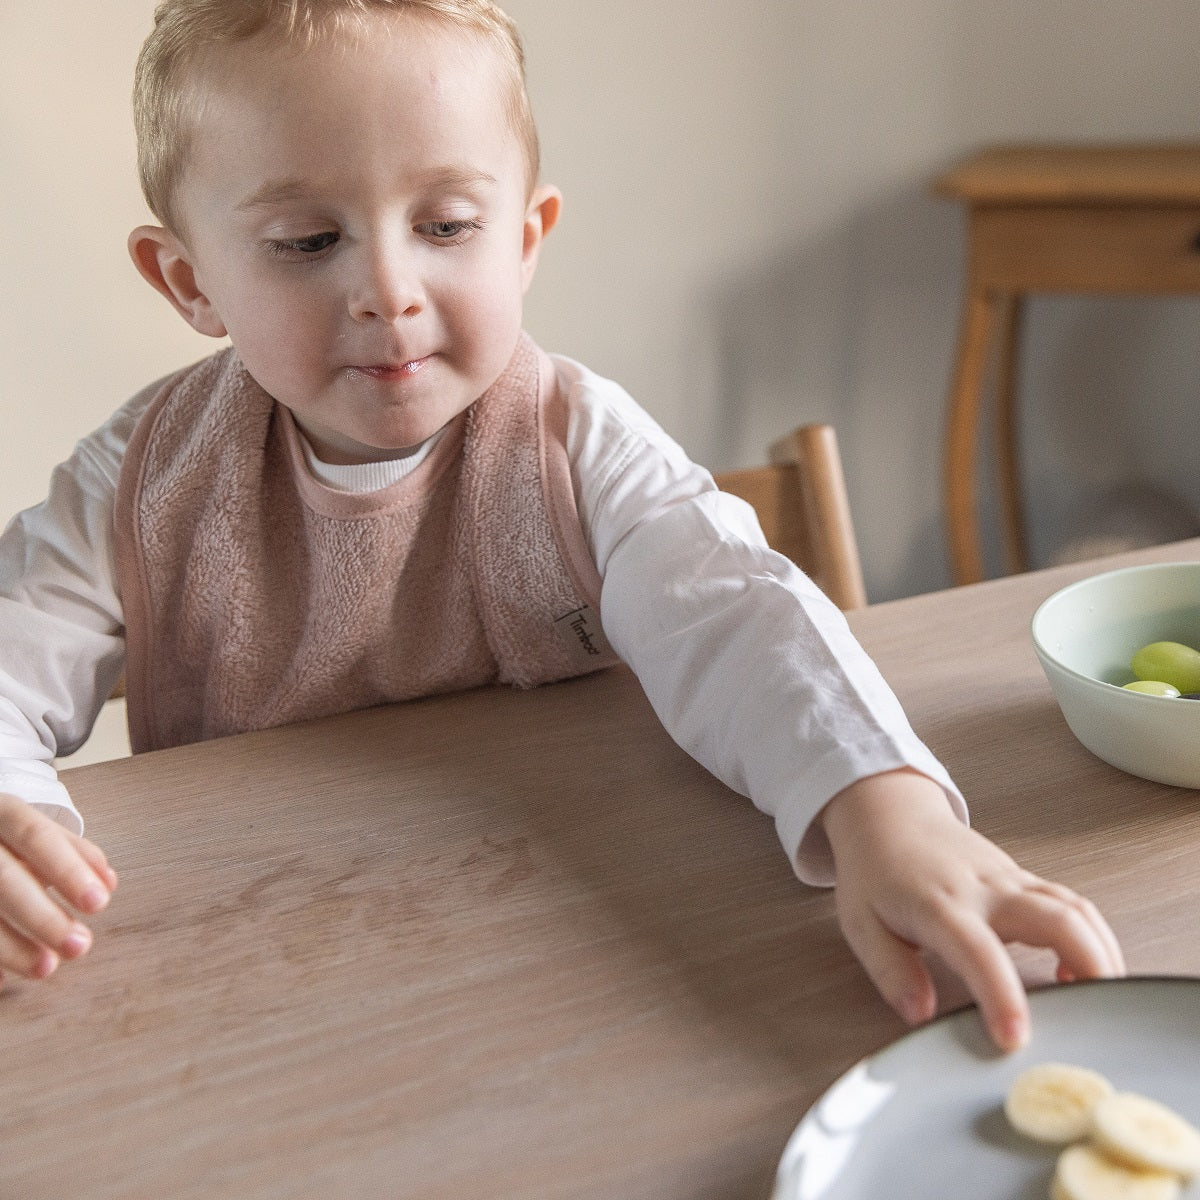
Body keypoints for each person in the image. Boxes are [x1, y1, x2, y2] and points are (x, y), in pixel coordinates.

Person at [0, 0, 1123, 1050]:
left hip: (581, 959)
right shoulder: (144, 484)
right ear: (187, 279)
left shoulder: (575, 443)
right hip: (260, 988)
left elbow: (738, 619)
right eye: (305, 241)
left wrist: (892, 819)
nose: (388, 288)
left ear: (525, 239)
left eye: (445, 223)